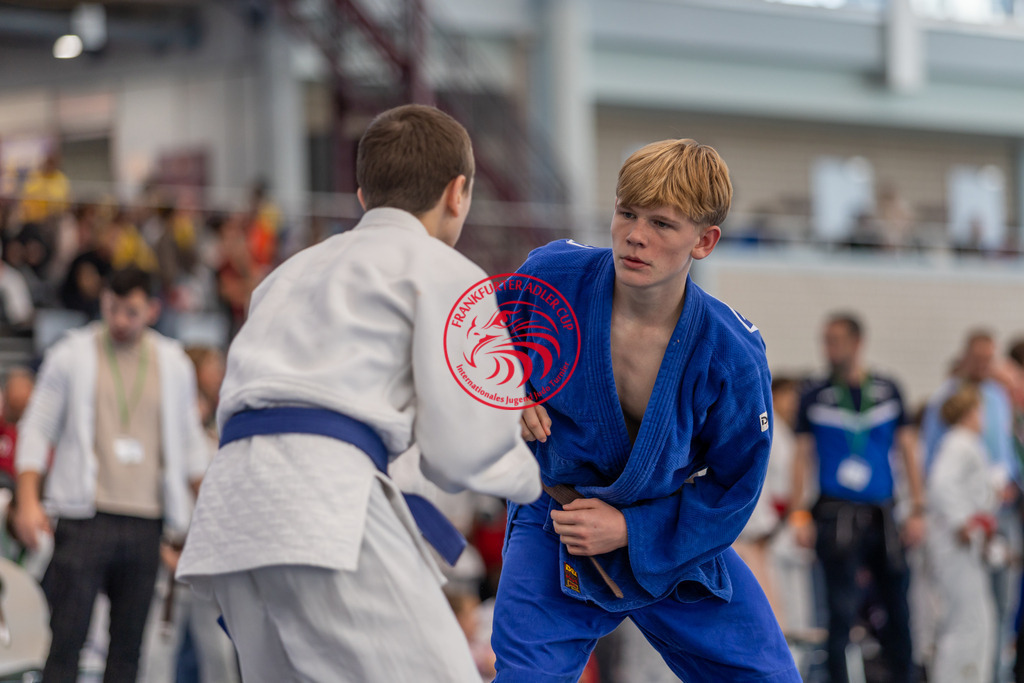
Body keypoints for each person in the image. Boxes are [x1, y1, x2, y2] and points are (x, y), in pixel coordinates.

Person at [176, 104, 542, 682]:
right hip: (324, 509)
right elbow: (463, 451)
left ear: (363, 195)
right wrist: (538, 479)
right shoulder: (449, 272)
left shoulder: (287, 274)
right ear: (458, 193)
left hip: (230, 515)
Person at [491, 138, 799, 682]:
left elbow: (735, 488)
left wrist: (632, 529)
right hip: (556, 519)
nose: (635, 235)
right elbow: (477, 336)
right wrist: (509, 389)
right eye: (626, 213)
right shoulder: (553, 278)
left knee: (769, 677)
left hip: (669, 530)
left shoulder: (731, 354)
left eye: (662, 224)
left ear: (704, 241)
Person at [11, 266, 209, 682]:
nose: (120, 320)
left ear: (153, 310)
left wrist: (212, 515)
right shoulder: (72, 352)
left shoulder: (173, 364)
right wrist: (28, 501)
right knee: (65, 640)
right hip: (85, 515)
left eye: (132, 312)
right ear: (103, 302)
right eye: (113, 308)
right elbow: (36, 427)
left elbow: (191, 449)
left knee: (127, 650)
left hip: (147, 520)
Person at [788, 313, 926, 683]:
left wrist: (918, 509)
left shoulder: (887, 388)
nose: (828, 349)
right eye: (825, 341)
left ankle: (904, 676)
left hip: (883, 513)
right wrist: (798, 514)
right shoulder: (814, 394)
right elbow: (801, 456)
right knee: (840, 611)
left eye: (836, 340)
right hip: (835, 514)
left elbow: (909, 450)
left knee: (898, 608)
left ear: (858, 342)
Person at [927, 383, 998, 683]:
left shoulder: (964, 444)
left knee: (978, 622)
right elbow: (941, 485)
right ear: (971, 412)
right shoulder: (960, 443)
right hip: (956, 545)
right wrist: (963, 524)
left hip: (966, 545)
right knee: (966, 624)